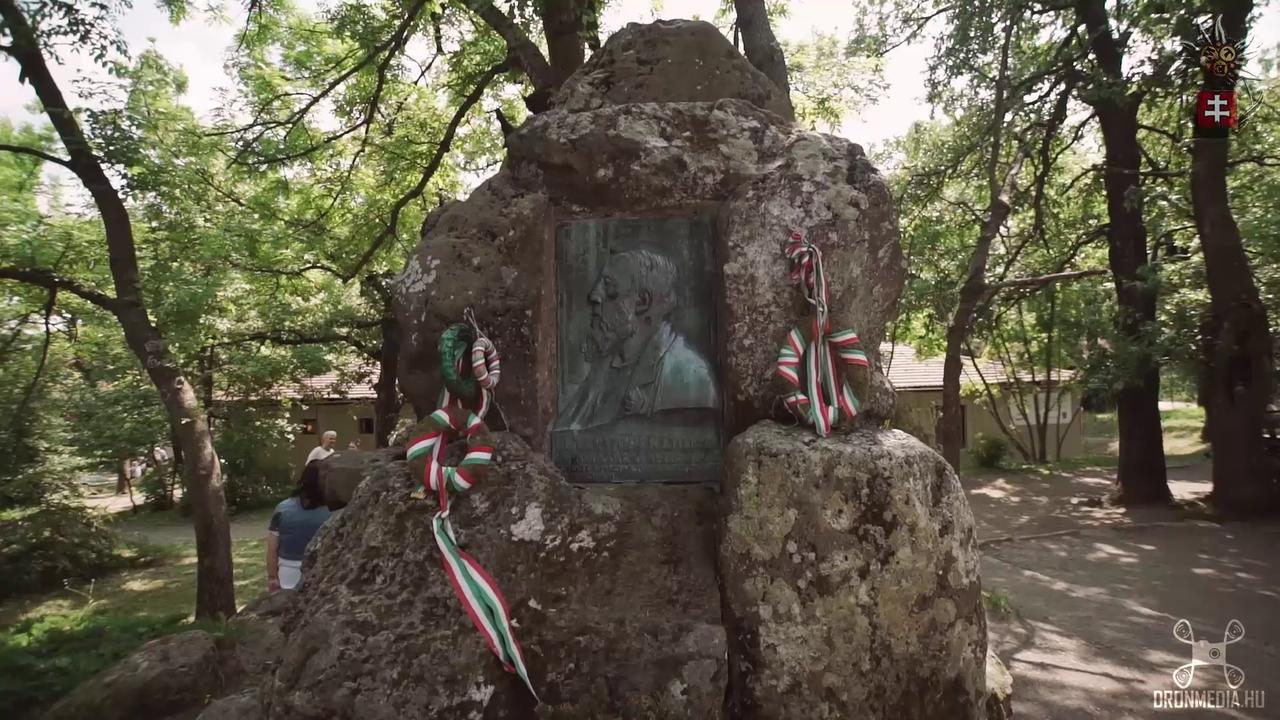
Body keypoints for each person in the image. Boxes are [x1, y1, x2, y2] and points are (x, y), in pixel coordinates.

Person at [555, 248, 719, 430]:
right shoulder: (601, 371)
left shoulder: (688, 375)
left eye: (608, 287)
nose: (594, 295)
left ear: (642, 302)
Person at [266, 461, 331, 591]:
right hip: (323, 575)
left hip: (287, 576)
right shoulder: (334, 512)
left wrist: (272, 577)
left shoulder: (282, 509)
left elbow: (272, 548)